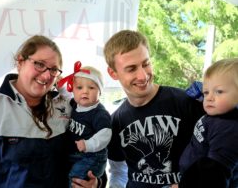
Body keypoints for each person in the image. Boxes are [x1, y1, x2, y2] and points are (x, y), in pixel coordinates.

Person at [0, 35, 98, 188]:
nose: (46, 75)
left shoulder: (70, 108)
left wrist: (95, 182)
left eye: (53, 70)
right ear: (20, 62)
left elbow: (92, 155)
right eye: (39, 64)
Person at [103, 29, 205, 188]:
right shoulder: (115, 120)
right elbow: (118, 172)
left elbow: (220, 155)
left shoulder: (185, 102)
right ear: (113, 73)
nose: (143, 76)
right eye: (131, 69)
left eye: (146, 64)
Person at [179, 58, 238, 188]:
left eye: (219, 91)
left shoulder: (228, 129)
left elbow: (214, 175)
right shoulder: (218, 116)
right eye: (206, 92)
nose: (209, 97)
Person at [58, 62, 112, 187]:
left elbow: (105, 134)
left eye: (91, 88)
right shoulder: (75, 104)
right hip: (77, 155)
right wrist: (60, 87)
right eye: (79, 88)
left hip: (93, 156)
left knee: (75, 179)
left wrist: (88, 144)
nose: (85, 92)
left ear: (100, 91)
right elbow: (66, 96)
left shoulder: (99, 113)